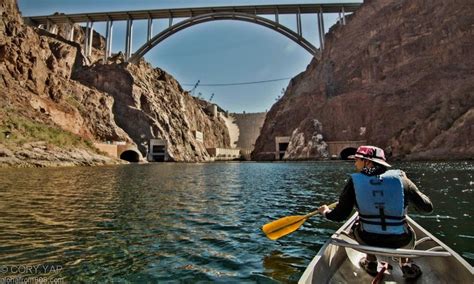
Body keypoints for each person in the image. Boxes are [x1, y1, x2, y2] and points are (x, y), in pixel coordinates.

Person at [318, 145, 433, 280]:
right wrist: (408, 187)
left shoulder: (354, 182)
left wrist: (325, 211)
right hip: (401, 241)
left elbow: (339, 216)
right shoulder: (402, 180)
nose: (355, 163)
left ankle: (370, 261)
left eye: (357, 159)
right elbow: (427, 208)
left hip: (367, 238)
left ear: (368, 162)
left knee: (358, 223)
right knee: (404, 224)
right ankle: (405, 263)